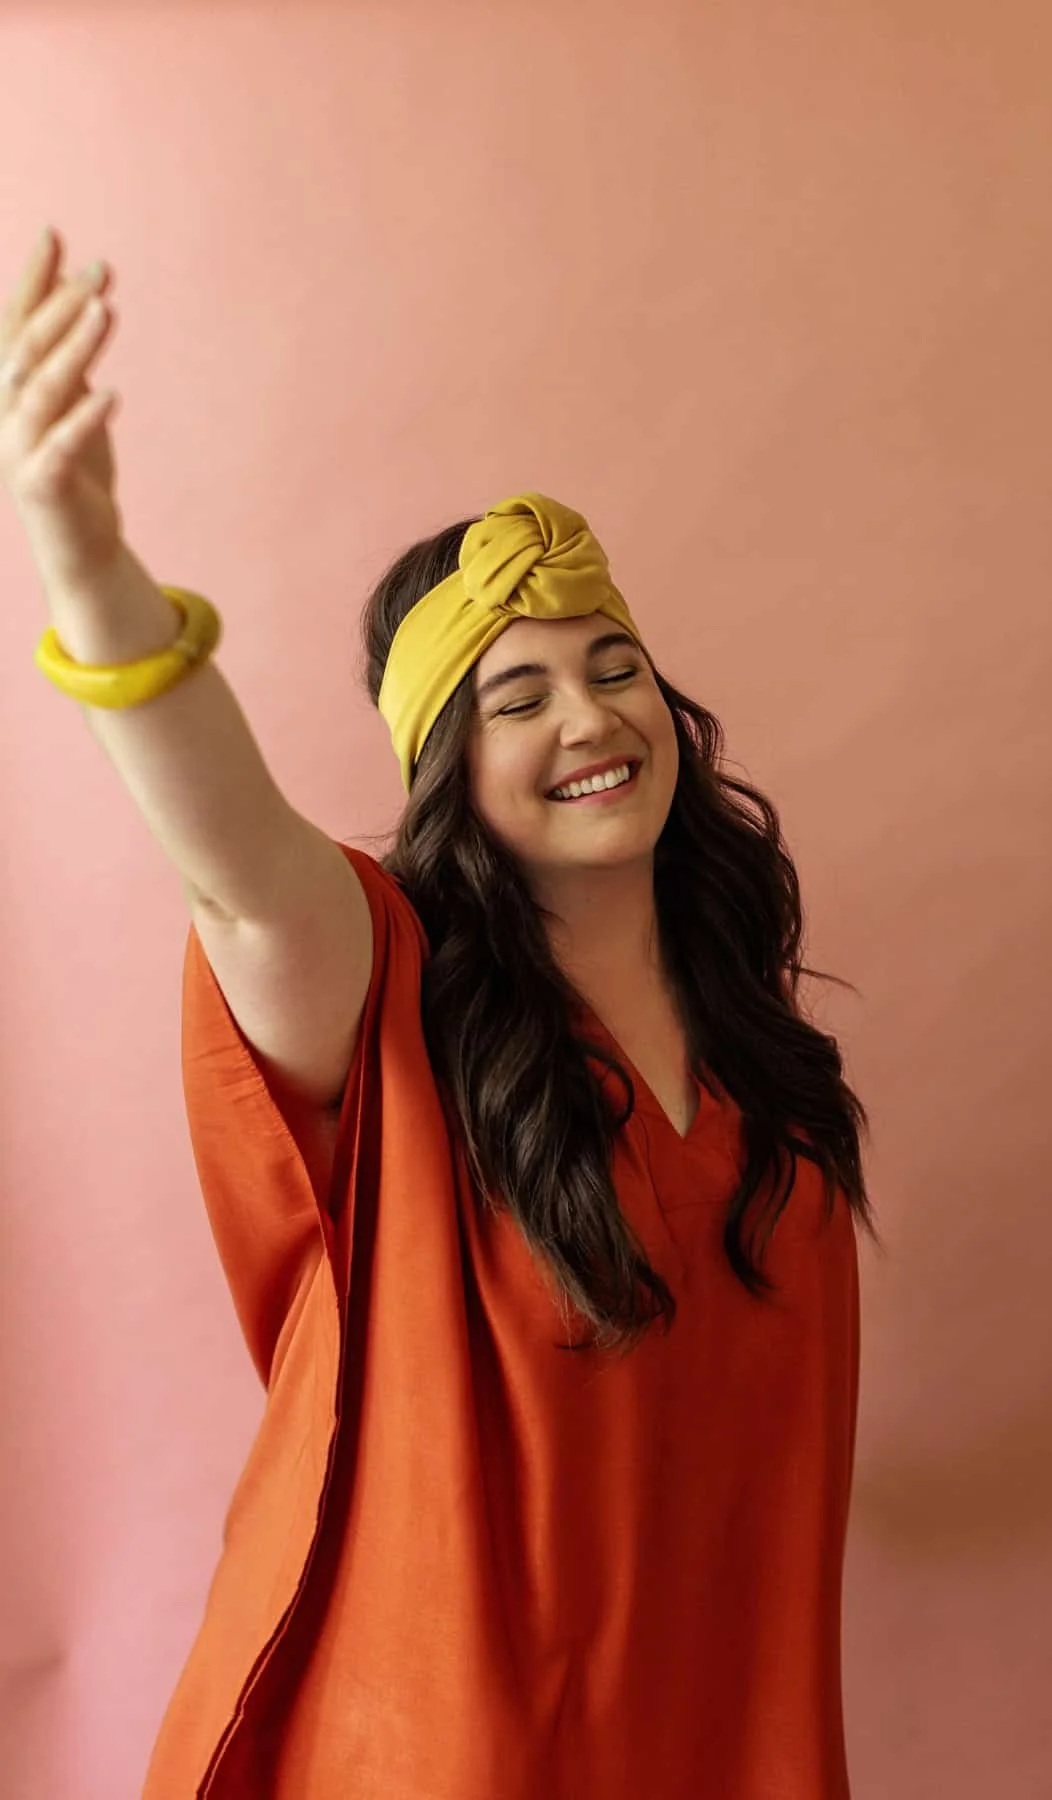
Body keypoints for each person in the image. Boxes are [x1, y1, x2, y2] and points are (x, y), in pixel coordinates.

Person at [1, 229, 877, 1799]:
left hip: (715, 1738)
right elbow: (244, 874)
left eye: (615, 669)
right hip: (431, 1752)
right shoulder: (389, 985)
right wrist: (90, 577)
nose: (594, 717)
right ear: (445, 768)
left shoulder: (754, 1041)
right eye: (517, 696)